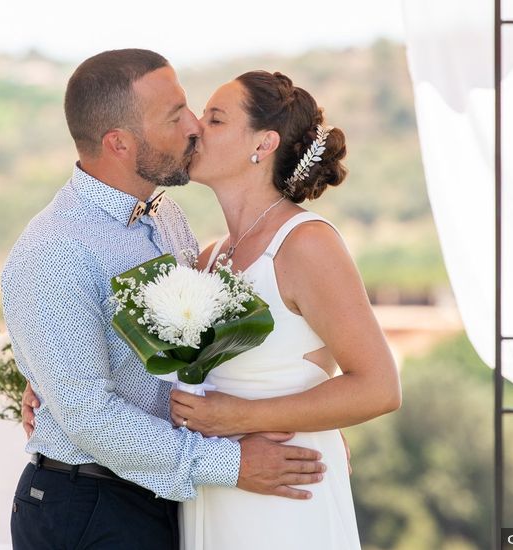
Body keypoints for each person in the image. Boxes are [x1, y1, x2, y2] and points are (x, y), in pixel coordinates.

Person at [1, 49, 326, 550]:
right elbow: (90, 418)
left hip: (164, 499)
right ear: (120, 143)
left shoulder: (167, 218)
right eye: (176, 117)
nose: (195, 125)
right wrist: (234, 465)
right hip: (90, 507)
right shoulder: (55, 249)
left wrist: (311, 420)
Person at [166, 70, 402, 548]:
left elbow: (379, 387)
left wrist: (240, 418)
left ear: (264, 143)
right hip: (216, 492)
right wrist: (46, 382)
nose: (194, 128)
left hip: (286, 493)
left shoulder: (305, 244)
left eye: (215, 119)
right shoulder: (207, 258)